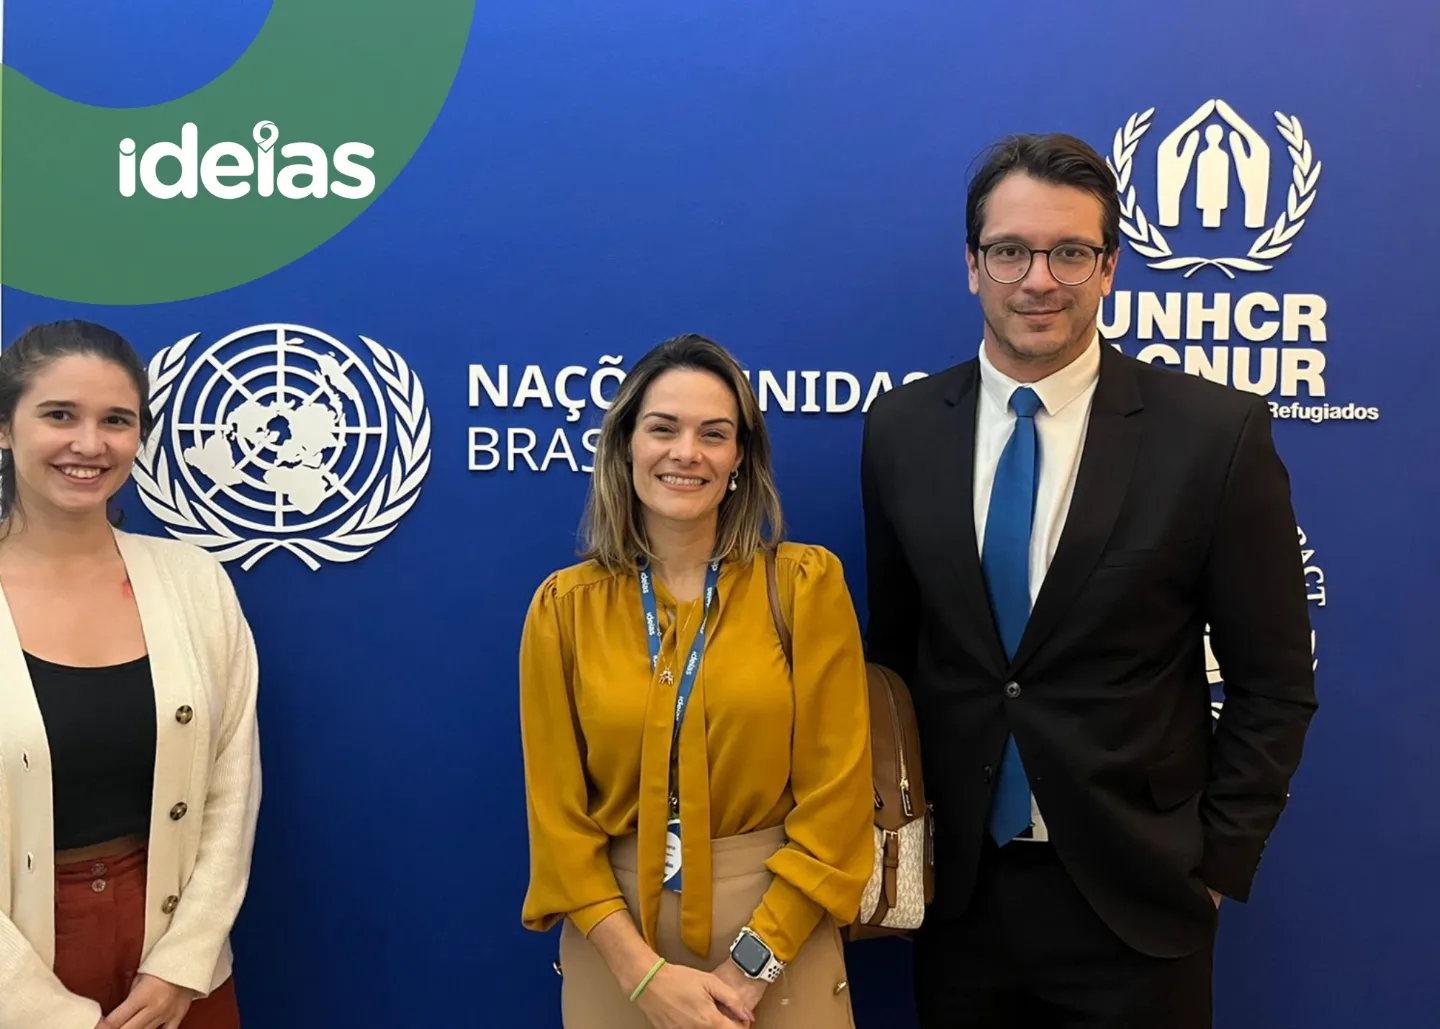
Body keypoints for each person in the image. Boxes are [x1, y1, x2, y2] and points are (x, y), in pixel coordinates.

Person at [860, 134, 1317, 1027]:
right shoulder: (901, 429)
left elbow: (1274, 683)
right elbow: (897, 658)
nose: (1038, 279)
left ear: (1108, 267)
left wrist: (1216, 863)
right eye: (1010, 251)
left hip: (1139, 904)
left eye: (1070, 252)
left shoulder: (1211, 435)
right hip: (960, 903)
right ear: (972, 265)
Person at [518, 333, 874, 1029]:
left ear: (740, 458)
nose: (687, 452)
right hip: (616, 947)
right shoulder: (564, 608)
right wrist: (642, 977)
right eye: (663, 428)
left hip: (780, 942)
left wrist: (747, 973)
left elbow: (838, 807)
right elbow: (557, 825)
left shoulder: (804, 587)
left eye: (714, 434)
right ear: (626, 444)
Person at [0, 320, 262, 1029]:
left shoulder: (194, 580)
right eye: (60, 415)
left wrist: (184, 962)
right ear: (4, 428)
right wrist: (38, 1008)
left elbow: (232, 787)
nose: (91, 444)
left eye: (116, 420)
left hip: (174, 965)